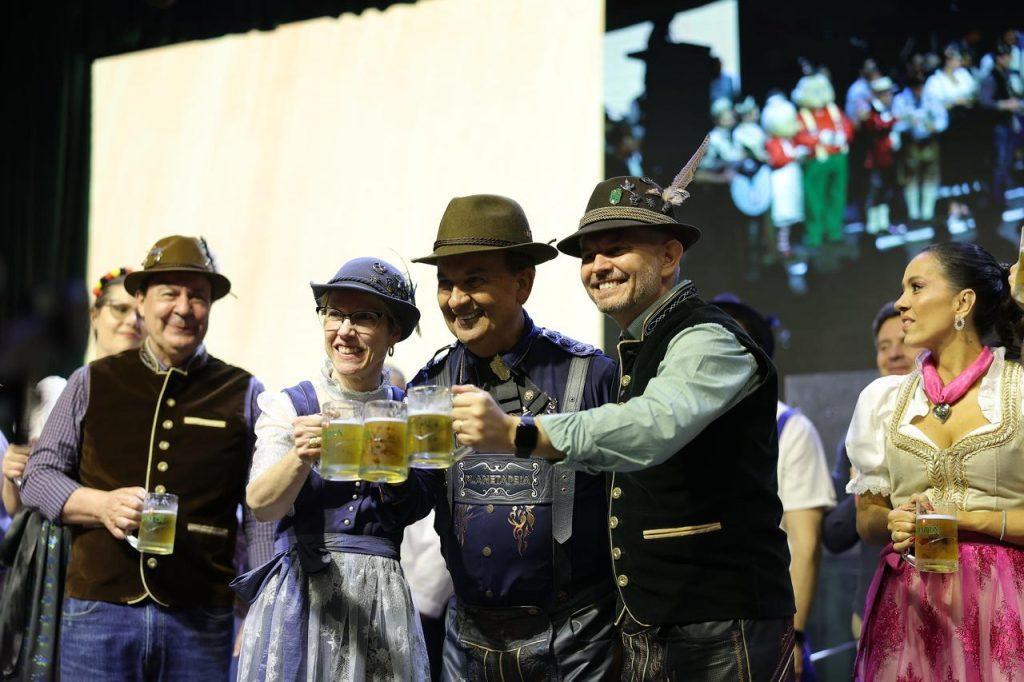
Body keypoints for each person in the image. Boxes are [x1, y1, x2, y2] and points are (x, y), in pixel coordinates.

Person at [450, 143, 796, 679]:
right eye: (589, 254)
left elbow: (650, 428)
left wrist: (520, 433)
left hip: (718, 622)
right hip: (652, 623)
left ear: (669, 256)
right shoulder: (638, 347)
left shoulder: (709, 337)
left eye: (617, 248)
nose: (598, 266)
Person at [20, 235, 275, 680]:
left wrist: (260, 603)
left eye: (197, 296)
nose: (183, 307)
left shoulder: (244, 391)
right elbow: (39, 475)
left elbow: (260, 511)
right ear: (141, 299)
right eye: (169, 293)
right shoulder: (91, 381)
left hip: (201, 615)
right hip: (100, 612)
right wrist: (101, 505)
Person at [408, 194, 620, 680]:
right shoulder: (427, 385)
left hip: (579, 640)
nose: (456, 299)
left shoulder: (590, 375)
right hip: (467, 642)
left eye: (474, 280)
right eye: (446, 283)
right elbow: (411, 499)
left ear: (523, 283)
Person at [235, 257, 430, 680]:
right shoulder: (291, 405)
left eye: (363, 317)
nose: (344, 330)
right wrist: (299, 457)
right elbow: (262, 506)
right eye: (335, 314)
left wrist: (392, 465)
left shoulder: (412, 411)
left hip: (380, 595)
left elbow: (420, 504)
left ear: (393, 332)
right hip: (302, 595)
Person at [847, 241, 1024, 679]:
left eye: (916, 287)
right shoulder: (884, 400)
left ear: (963, 301)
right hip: (911, 603)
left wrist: (970, 519)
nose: (901, 303)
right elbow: (867, 520)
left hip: (1007, 601)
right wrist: (892, 519)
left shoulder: (1017, 389)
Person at [0, 267, 142, 680]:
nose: (131, 321)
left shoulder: (157, 402)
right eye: (119, 309)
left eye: (139, 312)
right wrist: (14, 473)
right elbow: (18, 506)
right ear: (95, 315)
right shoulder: (59, 389)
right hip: (52, 551)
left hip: (117, 551)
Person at [712, 295, 835, 679]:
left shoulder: (789, 428)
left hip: (762, 622)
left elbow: (805, 542)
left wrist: (794, 636)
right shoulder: (678, 424)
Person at [823, 302, 919, 640]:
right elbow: (834, 533)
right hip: (873, 608)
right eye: (883, 347)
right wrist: (869, 484)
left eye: (904, 341)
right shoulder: (859, 438)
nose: (894, 355)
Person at [893, 76, 949, 227]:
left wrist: (936, 127)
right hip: (911, 142)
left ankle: (927, 213)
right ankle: (913, 214)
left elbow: (942, 118)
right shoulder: (901, 100)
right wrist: (908, 122)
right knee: (911, 177)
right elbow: (895, 123)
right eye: (916, 88)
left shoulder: (930, 97)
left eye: (921, 87)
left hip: (930, 142)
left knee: (931, 175)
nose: (919, 91)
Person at [978, 42, 1023, 212]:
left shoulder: (1007, 74)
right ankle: (996, 199)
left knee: (1006, 162)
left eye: (1010, 55)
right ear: (998, 58)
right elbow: (985, 102)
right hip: (998, 126)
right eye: (1005, 56)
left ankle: (1001, 196)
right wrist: (1005, 104)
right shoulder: (991, 77)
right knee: (999, 163)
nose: (1008, 59)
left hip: (1008, 123)